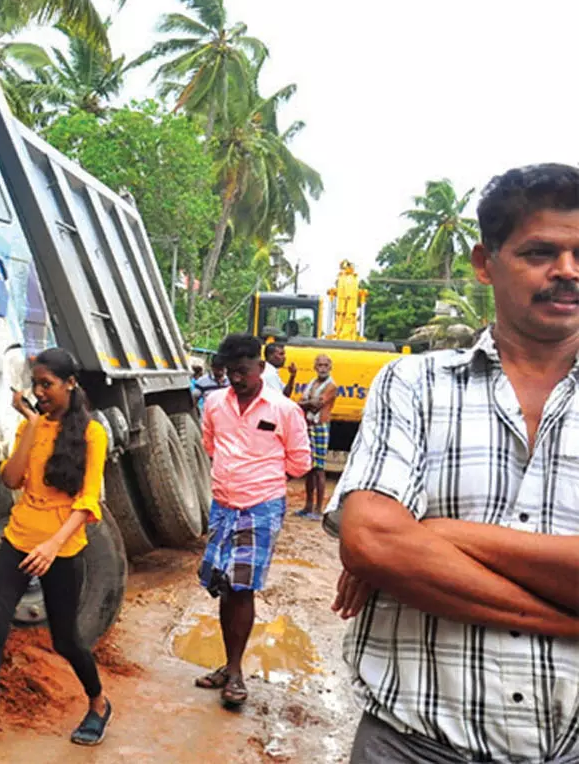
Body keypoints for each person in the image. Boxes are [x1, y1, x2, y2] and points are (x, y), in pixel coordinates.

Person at [328, 164, 579, 763]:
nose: (567, 271)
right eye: (541, 252)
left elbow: (397, 543)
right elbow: (373, 544)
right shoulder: (415, 385)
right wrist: (567, 619)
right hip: (410, 747)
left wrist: (438, 535)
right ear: (484, 262)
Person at [0, 348, 112, 761]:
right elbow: (11, 478)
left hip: (62, 549)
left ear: (70, 383)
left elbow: (88, 503)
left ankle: (99, 703)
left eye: (46, 384)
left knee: (66, 640)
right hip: (17, 540)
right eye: (35, 384)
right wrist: (31, 424)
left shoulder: (92, 434)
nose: (39, 391)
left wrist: (52, 546)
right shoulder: (31, 427)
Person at [194, 333, 311, 709]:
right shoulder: (214, 403)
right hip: (222, 506)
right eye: (230, 373)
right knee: (224, 585)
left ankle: (235, 672)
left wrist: (259, 480)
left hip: (260, 507)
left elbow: (299, 463)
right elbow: (209, 444)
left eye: (243, 371)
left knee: (242, 587)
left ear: (261, 368)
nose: (237, 379)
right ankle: (229, 667)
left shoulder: (284, 410)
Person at [294, 354, 336, 520]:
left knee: (318, 469)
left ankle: (318, 509)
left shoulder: (331, 386)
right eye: (320, 365)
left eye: (325, 365)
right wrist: (308, 403)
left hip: (320, 427)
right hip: (310, 425)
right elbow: (308, 403)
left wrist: (307, 403)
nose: (323, 368)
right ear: (315, 367)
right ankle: (308, 506)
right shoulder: (314, 384)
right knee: (310, 469)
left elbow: (317, 404)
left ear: (330, 367)